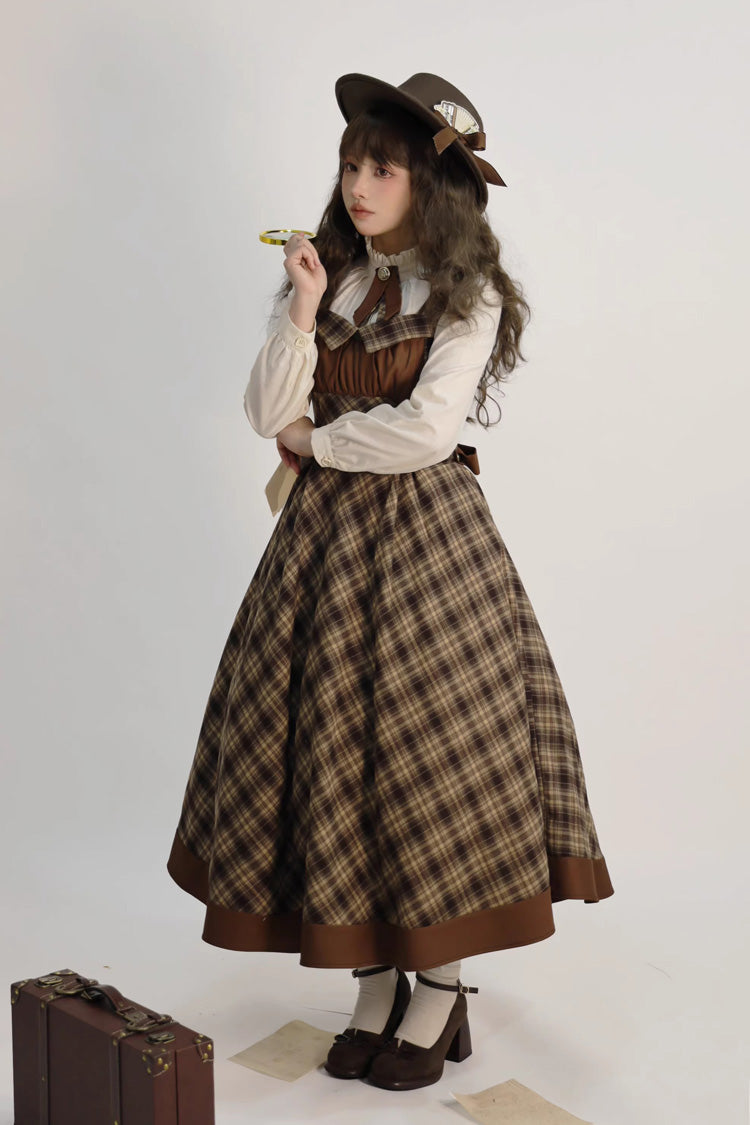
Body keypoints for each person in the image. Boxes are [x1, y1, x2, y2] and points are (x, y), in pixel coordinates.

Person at [166, 71, 614, 1092]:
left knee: (426, 752)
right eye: (350, 166)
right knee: (326, 746)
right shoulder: (333, 278)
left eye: (382, 170)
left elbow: (426, 432)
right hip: (320, 550)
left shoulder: (467, 293)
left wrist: (317, 442)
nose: (358, 186)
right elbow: (263, 411)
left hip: (427, 549)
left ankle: (442, 988)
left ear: (430, 186)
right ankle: (373, 981)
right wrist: (303, 307)